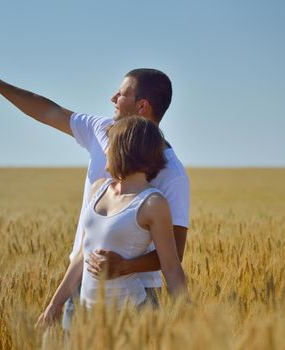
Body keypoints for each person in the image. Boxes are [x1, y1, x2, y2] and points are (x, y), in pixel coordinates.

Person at [0, 68, 190, 328]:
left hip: (136, 297)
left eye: (121, 94)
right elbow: (48, 112)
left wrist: (125, 266)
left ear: (142, 106)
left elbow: (173, 257)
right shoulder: (103, 131)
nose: (112, 98)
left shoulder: (172, 173)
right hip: (82, 283)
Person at [35, 116, 187, 328]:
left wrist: (187, 318)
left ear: (125, 149)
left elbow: (171, 267)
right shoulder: (99, 188)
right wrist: (55, 304)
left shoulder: (153, 203)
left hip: (131, 317)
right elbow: (83, 254)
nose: (105, 150)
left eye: (110, 144)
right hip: (88, 316)